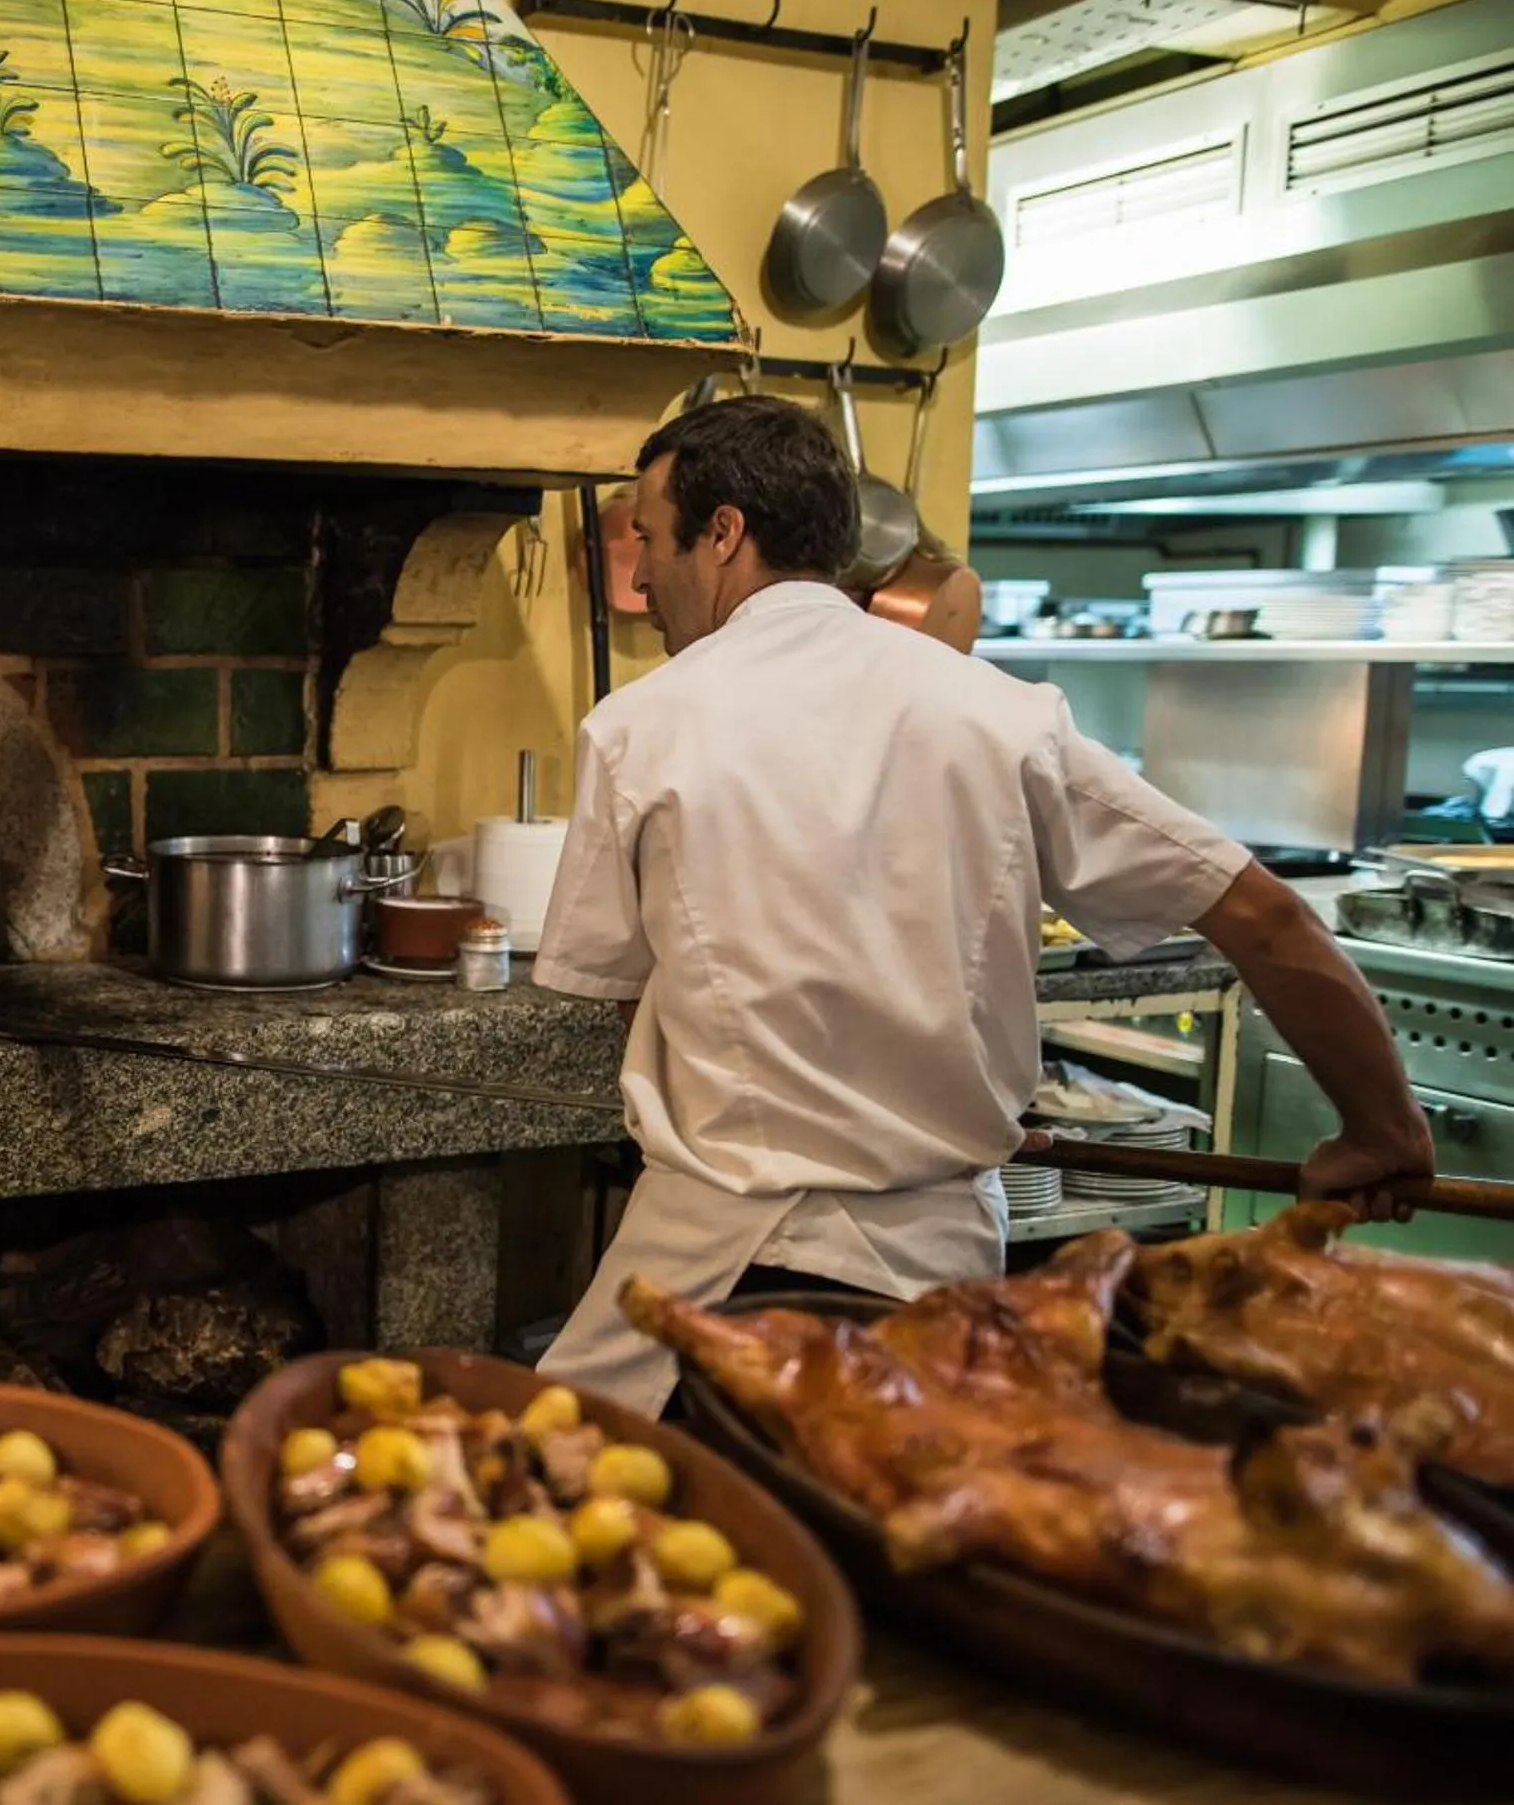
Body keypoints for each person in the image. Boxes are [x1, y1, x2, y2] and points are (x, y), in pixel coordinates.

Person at [530, 395, 1432, 1416]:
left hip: (710, 1267)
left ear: (724, 533)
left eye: (650, 540)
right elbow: (1264, 917)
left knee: (604, 1481)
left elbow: (630, 996)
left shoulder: (639, 727)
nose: (642, 577)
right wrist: (1382, 1128)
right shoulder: (1001, 715)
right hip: (926, 1272)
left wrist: (889, 1109)